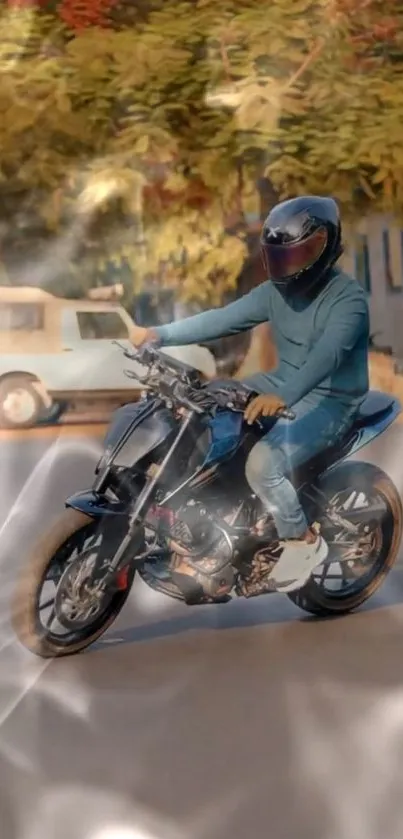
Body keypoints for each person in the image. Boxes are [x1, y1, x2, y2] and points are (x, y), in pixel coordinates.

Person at [130, 195, 370, 593]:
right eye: (278, 256)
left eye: (298, 254)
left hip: (331, 400)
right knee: (207, 406)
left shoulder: (349, 301)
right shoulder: (275, 294)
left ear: (326, 245)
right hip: (281, 382)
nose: (286, 265)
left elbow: (327, 357)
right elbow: (223, 319)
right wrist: (161, 334)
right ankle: (207, 526)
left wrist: (286, 395)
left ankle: (301, 541)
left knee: (263, 464)